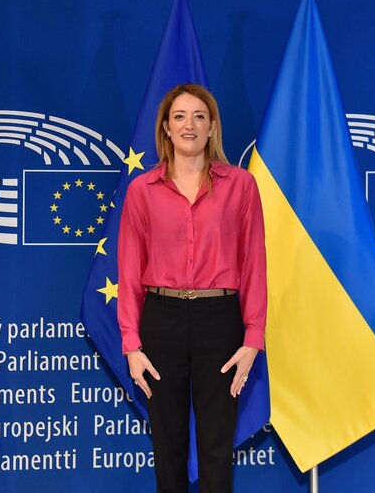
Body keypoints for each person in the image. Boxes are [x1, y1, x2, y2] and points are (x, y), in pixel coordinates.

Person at [117, 84, 266, 493]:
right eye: (179, 116)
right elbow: (129, 271)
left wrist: (253, 338)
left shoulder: (240, 186)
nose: (189, 124)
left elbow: (254, 264)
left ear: (212, 127)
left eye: (199, 116)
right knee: (167, 448)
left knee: (217, 449)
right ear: (165, 128)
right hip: (160, 323)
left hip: (220, 322)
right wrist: (132, 344)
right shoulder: (141, 192)